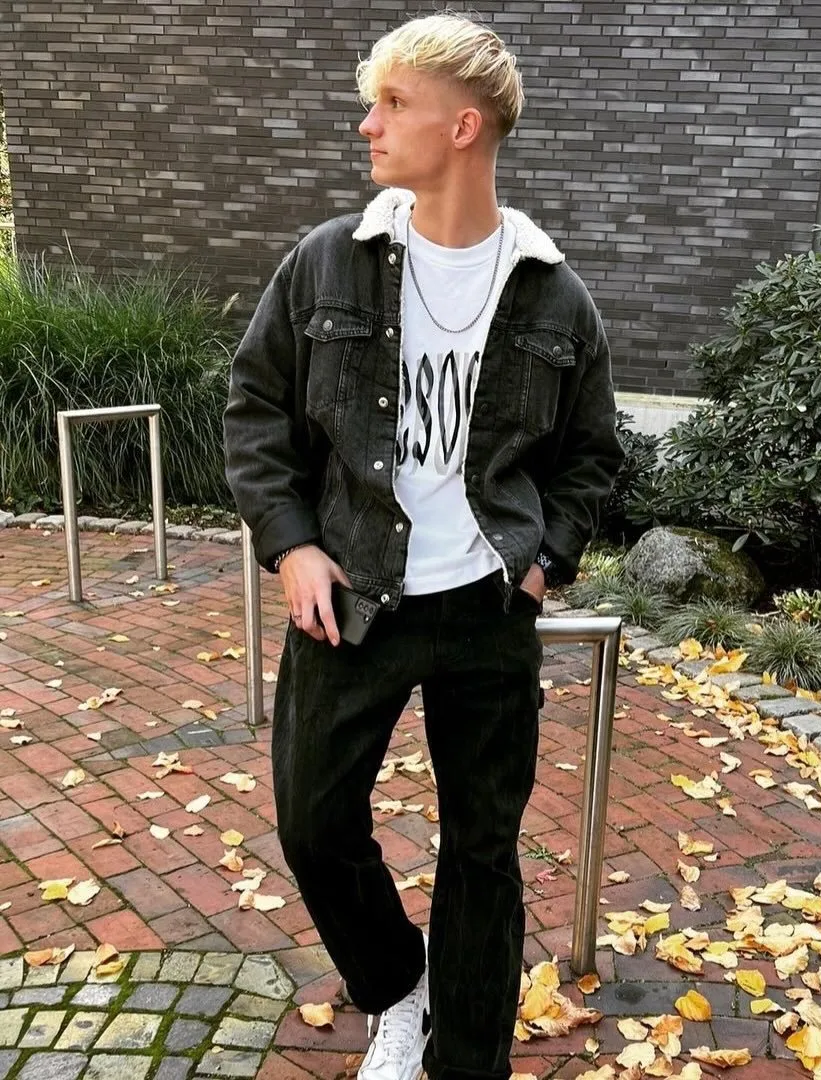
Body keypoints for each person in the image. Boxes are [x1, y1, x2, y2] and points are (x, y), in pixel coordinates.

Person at [223, 11, 623, 1080]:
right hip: (353, 596)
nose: (368, 124)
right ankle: (400, 985)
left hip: (488, 608)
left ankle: (469, 1059)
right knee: (313, 823)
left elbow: (592, 455)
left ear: (463, 125)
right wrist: (292, 545)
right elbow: (256, 412)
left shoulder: (554, 293)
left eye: (392, 102)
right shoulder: (327, 265)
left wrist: (547, 558)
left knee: (483, 851)